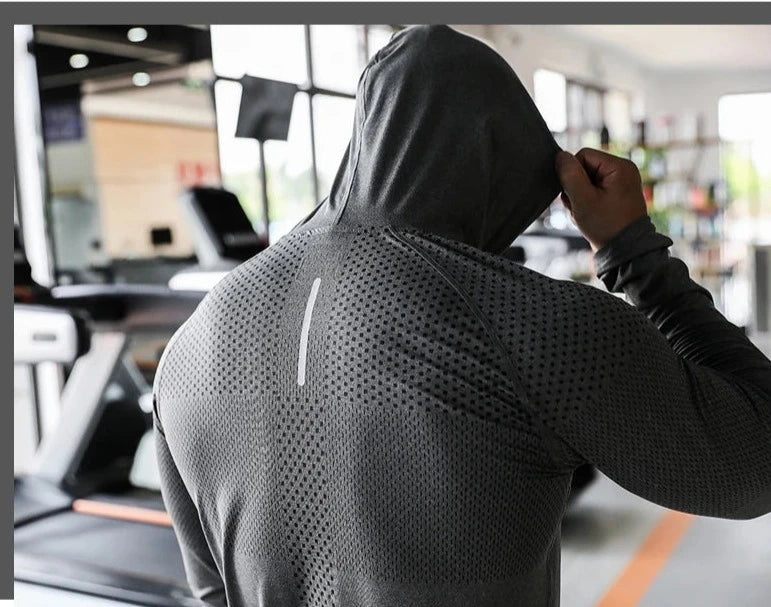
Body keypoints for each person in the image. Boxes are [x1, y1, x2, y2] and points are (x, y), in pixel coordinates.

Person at [153, 25, 771, 607]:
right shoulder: (540, 326)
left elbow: (210, 590)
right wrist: (634, 252)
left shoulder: (189, 345)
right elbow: (755, 462)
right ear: (509, 168)